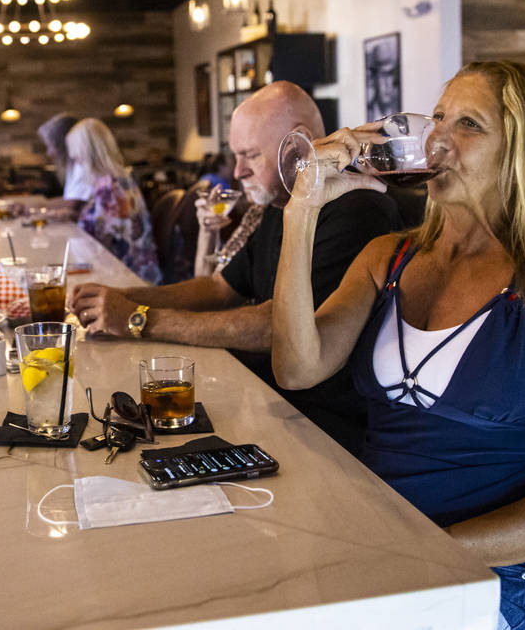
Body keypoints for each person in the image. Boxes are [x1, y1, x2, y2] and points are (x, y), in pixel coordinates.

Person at [270, 61, 525, 629]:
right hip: (379, 554)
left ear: (523, 152)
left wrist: (415, 551)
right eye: (436, 118)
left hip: (489, 579)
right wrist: (302, 210)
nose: (436, 137)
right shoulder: (387, 258)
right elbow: (296, 368)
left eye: (469, 125)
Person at [70, 82, 402, 453]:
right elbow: (218, 287)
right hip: (265, 396)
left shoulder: (356, 209)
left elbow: (274, 326)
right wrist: (120, 297)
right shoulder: (280, 203)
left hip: (320, 425)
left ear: (299, 142)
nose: (237, 171)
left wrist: (139, 319)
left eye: (250, 155)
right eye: (236, 156)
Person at [66, 118, 162, 284]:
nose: (74, 158)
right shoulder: (118, 179)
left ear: (86, 152)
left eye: (75, 152)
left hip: (127, 280)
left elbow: (104, 245)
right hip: (134, 272)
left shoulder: (109, 187)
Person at [38, 112, 94, 218]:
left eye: (51, 146)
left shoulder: (83, 165)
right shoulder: (73, 165)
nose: (49, 153)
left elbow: (71, 203)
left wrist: (31, 207)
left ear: (64, 144)